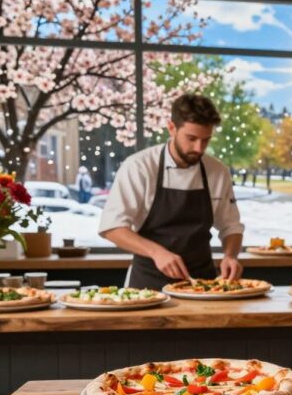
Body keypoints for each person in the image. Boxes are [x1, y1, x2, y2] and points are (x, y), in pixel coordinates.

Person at [99, 94, 244, 289]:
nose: (199, 148)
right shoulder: (139, 167)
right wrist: (156, 252)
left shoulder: (217, 172)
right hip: (148, 286)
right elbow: (112, 227)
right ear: (171, 128)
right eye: (191, 138)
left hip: (203, 285)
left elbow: (231, 226)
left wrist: (230, 256)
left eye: (205, 140)